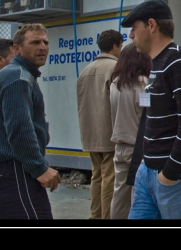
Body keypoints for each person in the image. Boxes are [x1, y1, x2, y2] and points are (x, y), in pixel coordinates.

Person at [123, 0, 181, 220]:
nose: (131, 35)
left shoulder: (179, 61)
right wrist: (145, 162)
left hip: (177, 177)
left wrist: (168, 174)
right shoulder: (158, 63)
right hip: (149, 172)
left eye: (134, 28)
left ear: (151, 25)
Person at [0, 23, 61, 219]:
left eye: (45, 42)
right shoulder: (17, 77)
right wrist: (39, 168)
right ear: (17, 48)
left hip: (5, 172)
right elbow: (20, 130)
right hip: (13, 171)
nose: (42, 47)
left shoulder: (20, 75)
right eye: (35, 42)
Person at [76, 29, 123, 220]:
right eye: (120, 46)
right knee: (110, 179)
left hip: (90, 133)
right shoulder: (116, 68)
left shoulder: (86, 70)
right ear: (114, 46)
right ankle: (106, 217)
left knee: (96, 177)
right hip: (110, 132)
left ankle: (94, 216)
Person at [109, 44, 151, 219]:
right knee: (139, 196)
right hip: (137, 147)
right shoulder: (142, 83)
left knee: (119, 195)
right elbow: (149, 111)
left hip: (119, 145)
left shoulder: (115, 83)